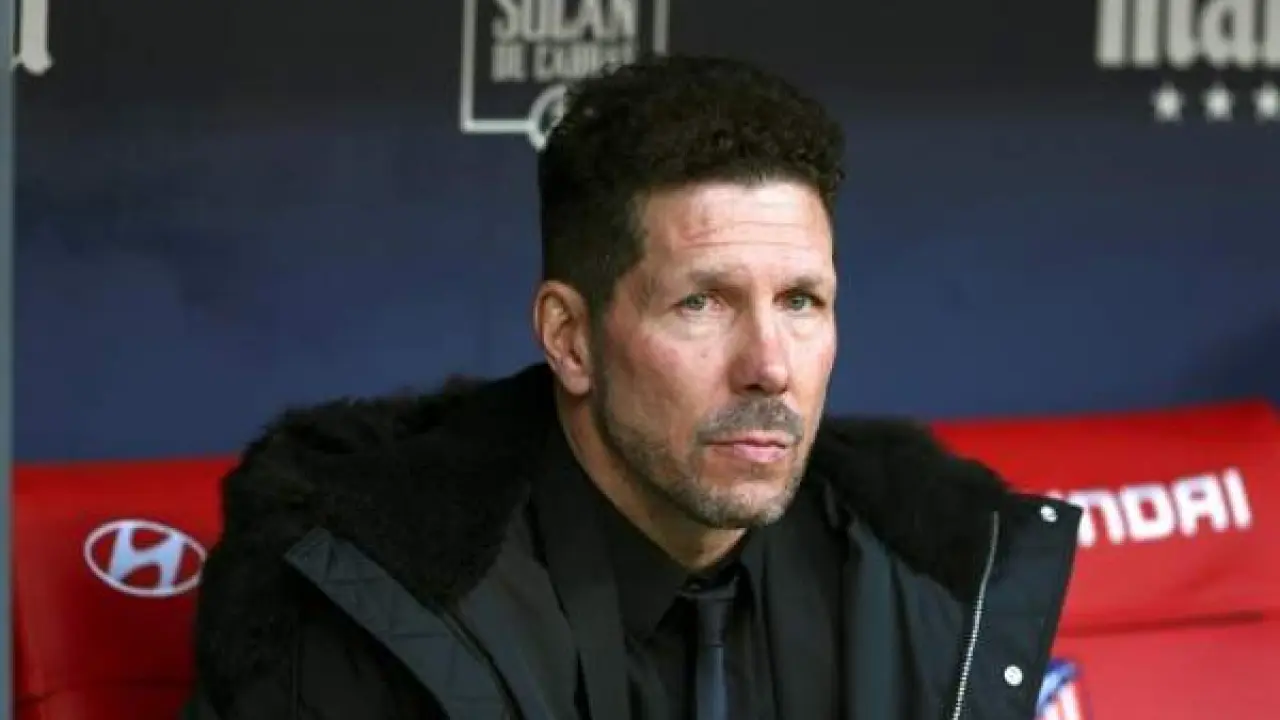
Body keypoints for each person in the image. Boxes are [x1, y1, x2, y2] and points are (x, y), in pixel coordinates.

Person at [184, 54, 1081, 720]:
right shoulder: (378, 601)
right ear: (570, 339)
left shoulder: (927, 579)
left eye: (801, 301)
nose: (770, 365)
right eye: (702, 302)